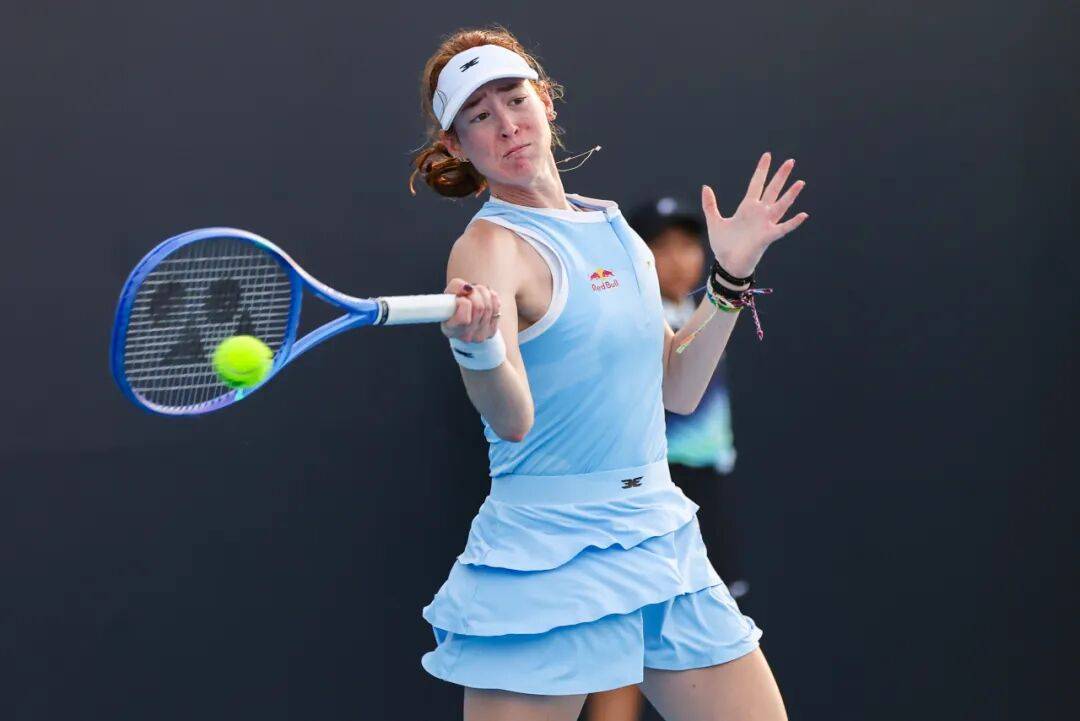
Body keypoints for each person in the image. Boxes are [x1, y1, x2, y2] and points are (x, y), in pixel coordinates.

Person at [409, 26, 808, 721]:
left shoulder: (616, 229)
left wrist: (731, 275)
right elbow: (512, 418)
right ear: (456, 145)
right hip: (545, 552)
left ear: (545, 101)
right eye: (479, 115)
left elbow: (678, 387)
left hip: (656, 534)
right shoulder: (487, 248)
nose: (506, 124)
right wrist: (478, 350)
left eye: (514, 99)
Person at [583, 197, 750, 721]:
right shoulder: (633, 317)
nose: (679, 259)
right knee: (626, 639)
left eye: (687, 245)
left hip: (707, 489)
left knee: (709, 641)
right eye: (662, 247)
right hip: (652, 493)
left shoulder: (696, 312)